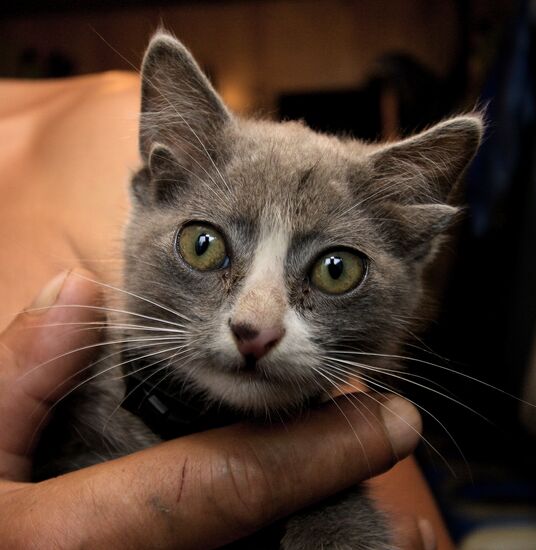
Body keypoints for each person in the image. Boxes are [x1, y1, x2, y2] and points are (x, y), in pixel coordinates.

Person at [0, 73, 453, 549]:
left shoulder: (93, 115)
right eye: (204, 247)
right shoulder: (85, 400)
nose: (255, 325)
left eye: (333, 272)